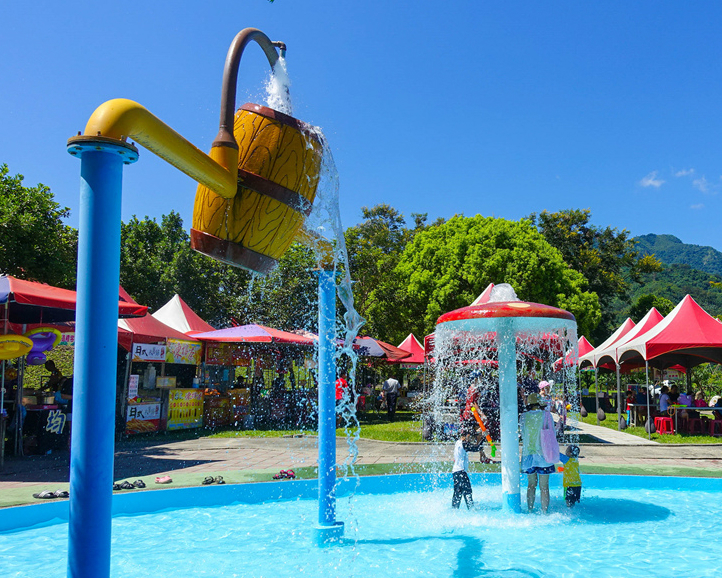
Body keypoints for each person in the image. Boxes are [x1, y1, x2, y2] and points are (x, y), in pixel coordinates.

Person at [521, 393, 556, 514]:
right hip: (544, 455)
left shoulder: (523, 416)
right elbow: (552, 434)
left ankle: (530, 510)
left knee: (531, 485)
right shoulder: (546, 415)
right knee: (544, 487)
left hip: (528, 455)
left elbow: (523, 433)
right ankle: (544, 512)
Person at [451, 425, 476, 510]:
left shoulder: (458, 442)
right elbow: (476, 448)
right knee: (467, 491)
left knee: (458, 492)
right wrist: (483, 437)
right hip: (461, 472)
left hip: (456, 472)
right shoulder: (464, 444)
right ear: (467, 436)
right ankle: (471, 509)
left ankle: (454, 510)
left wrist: (478, 432)